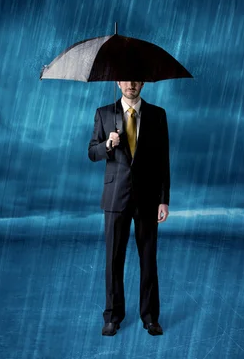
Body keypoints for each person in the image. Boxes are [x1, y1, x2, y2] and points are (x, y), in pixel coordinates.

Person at [88, 81, 170, 337]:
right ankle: (112, 317)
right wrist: (108, 144)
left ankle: (150, 317)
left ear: (142, 83)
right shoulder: (104, 113)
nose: (131, 84)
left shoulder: (157, 114)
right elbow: (91, 152)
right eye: (126, 79)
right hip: (115, 197)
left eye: (136, 79)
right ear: (118, 82)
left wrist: (164, 199)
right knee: (113, 260)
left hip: (147, 198)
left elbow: (163, 160)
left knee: (148, 261)